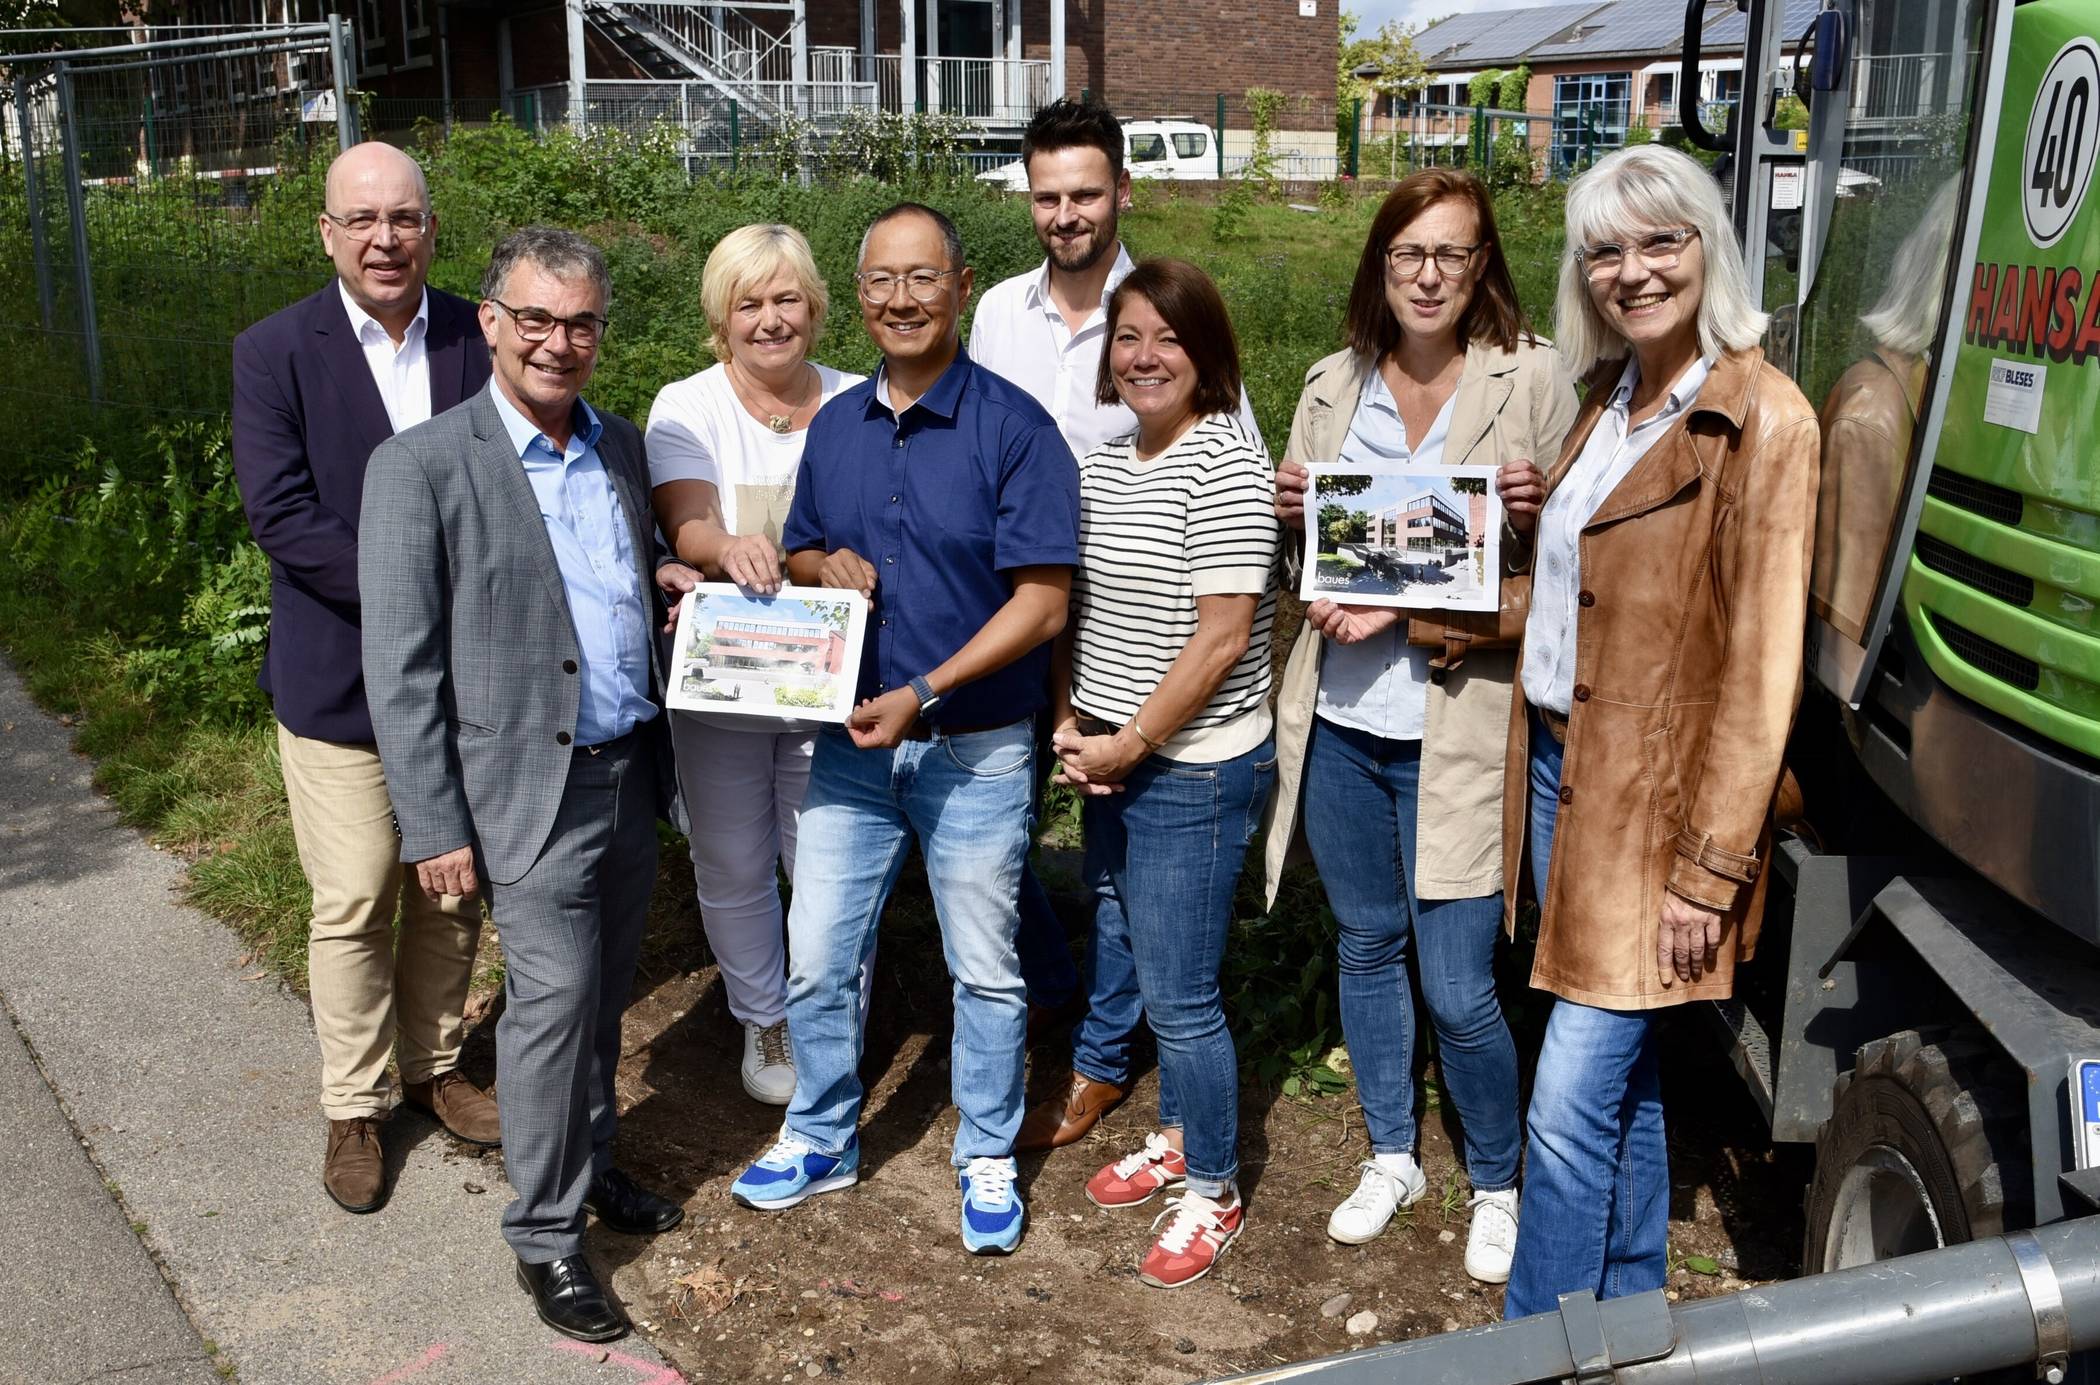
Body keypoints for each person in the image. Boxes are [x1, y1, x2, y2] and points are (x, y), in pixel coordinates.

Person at [360, 226, 700, 1343]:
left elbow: (609, 586)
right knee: (551, 1010)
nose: (561, 343)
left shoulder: (621, 447)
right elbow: (402, 666)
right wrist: (431, 820)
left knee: (599, 997)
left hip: (625, 769)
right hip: (523, 792)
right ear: (492, 323)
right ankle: (549, 1235)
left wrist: (668, 581)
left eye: (582, 322)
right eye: (537, 320)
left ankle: (592, 1162)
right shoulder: (421, 465)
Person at [1500, 144, 1818, 1318]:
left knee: (1570, 1100)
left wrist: (1710, 865)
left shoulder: (1763, 421)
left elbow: (1759, 674)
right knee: (1625, 1086)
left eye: (1660, 242)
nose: (1632, 271)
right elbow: (1581, 601)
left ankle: (1532, 1343)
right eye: (1604, 251)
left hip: (1656, 811)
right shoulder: (1612, 402)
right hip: (1558, 777)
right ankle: (1632, 1322)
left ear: (1710, 250)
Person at [728, 204, 1079, 1257]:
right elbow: (799, 555)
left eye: (922, 280)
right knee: (820, 956)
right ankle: (822, 1132)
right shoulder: (834, 425)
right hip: (848, 747)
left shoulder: (1016, 428)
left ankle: (985, 1150)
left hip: (973, 745)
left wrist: (925, 689)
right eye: (880, 281)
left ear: (962, 288)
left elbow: (1044, 602)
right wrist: (814, 566)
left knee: (985, 965)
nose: (899, 300)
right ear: (860, 290)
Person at [1266, 167, 1577, 1284]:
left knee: (1456, 980)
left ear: (1483, 262)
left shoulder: (1533, 380)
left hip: (1462, 720)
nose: (1431, 274)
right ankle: (1392, 1150)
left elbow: (1560, 572)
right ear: (1380, 267)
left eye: (1453, 252)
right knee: (1364, 942)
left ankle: (1498, 1176)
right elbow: (1312, 563)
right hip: (1347, 719)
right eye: (1410, 254)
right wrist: (1294, 515)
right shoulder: (1331, 383)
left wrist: (1535, 518)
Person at [970, 97, 1264, 1153]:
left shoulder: (1170, 329)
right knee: (1047, 852)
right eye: (1047, 195)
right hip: (1045, 635)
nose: (1066, 213)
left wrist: (1134, 728)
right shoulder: (1000, 312)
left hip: (1163, 681)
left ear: (1122, 192)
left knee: (1152, 898)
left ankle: (1133, 1073)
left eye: (1086, 192)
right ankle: (1075, 1011)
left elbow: (1231, 557)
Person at [230, 141, 498, 1216]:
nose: (386, 238)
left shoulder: (483, 335)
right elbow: (283, 516)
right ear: (328, 233)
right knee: (350, 897)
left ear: (432, 228)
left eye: (405, 218)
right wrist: (417, 588)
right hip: (337, 677)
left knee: (449, 887)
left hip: (467, 679)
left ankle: (434, 1066)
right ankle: (354, 1099)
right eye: (364, 220)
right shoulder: (273, 351)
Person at [1048, 258, 1279, 1289]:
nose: (1144, 356)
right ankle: (1182, 1134)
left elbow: (1221, 638)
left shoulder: (1225, 463)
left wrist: (1132, 742)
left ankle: (1216, 1187)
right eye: (1128, 336)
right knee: (1136, 946)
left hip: (1193, 767)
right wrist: (1071, 718)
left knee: (1182, 996)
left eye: (1168, 338)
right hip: (1112, 753)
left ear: (1208, 353)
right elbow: (1079, 609)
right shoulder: (1104, 463)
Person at [646, 224, 867, 1106]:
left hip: (833, 675)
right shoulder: (687, 405)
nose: (770, 320)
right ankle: (764, 1015)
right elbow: (685, 515)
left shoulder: (862, 398)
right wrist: (723, 544)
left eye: (786, 300)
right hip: (726, 679)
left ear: (814, 306)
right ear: (720, 317)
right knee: (732, 857)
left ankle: (833, 1009)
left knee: (830, 856)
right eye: (749, 303)